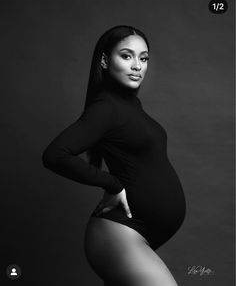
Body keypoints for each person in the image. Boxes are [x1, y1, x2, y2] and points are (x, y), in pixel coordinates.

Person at [42, 25, 186, 286]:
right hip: (119, 236)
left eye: (143, 59)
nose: (137, 66)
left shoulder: (131, 105)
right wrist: (112, 183)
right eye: (127, 56)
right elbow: (55, 155)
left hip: (138, 235)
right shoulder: (106, 108)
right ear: (106, 61)